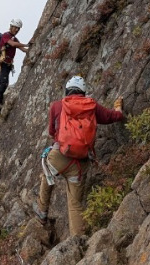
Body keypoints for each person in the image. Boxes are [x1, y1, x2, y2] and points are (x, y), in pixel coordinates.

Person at [33, 75, 124, 236]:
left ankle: (42, 211)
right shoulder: (92, 106)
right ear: (83, 92)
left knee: (46, 176)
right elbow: (112, 117)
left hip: (59, 157)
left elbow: (51, 132)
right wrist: (118, 109)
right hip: (79, 165)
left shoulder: (56, 106)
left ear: (67, 91)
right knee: (75, 205)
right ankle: (77, 240)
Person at [0, 18, 30, 109]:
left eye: (18, 29)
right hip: (3, 62)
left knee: (1, 82)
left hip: (8, 63)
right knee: (3, 82)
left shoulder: (14, 38)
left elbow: (23, 49)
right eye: (16, 28)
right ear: (11, 27)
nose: (17, 30)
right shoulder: (6, 35)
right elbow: (13, 44)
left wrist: (30, 48)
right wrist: (26, 45)